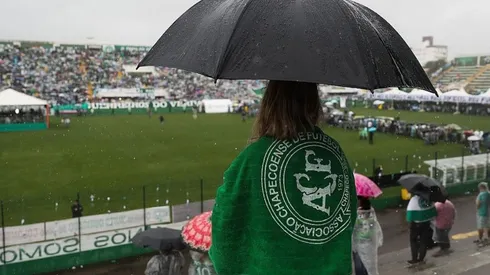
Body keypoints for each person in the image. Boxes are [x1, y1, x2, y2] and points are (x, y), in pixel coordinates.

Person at [209, 81, 357, 275]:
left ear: (269, 104)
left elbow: (225, 229)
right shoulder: (335, 153)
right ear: (314, 103)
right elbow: (348, 217)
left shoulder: (253, 158)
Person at [352, 196, 383, 275]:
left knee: (359, 265)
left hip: (359, 243)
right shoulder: (372, 213)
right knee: (370, 265)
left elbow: (355, 228)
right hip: (369, 244)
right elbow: (374, 227)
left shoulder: (357, 214)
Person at [406, 194, 437, 266]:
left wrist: (410, 220)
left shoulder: (414, 199)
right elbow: (433, 210)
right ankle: (421, 259)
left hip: (416, 223)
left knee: (413, 240)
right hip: (426, 222)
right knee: (423, 241)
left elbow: (410, 211)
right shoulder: (428, 198)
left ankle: (414, 259)